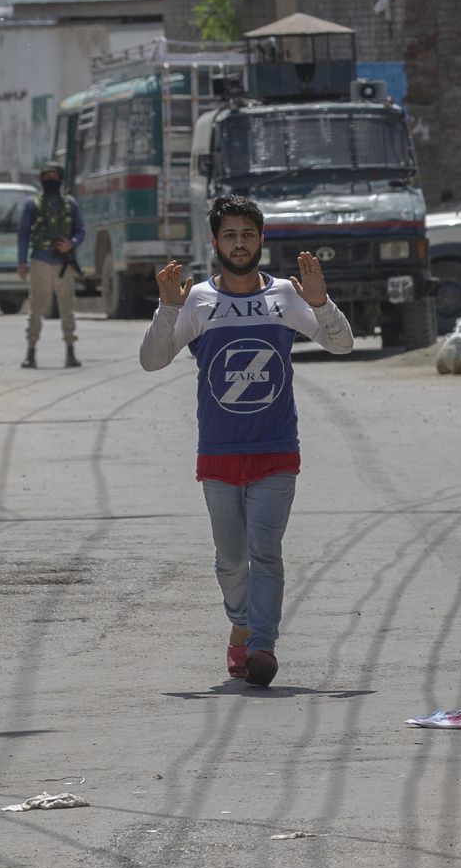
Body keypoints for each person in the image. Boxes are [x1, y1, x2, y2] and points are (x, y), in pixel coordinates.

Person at [138, 195, 354, 687]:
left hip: (276, 449)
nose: (240, 244)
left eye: (248, 234)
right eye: (230, 235)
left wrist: (321, 302)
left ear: (262, 239)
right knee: (231, 560)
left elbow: (341, 344)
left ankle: (261, 646)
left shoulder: (286, 295)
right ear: (215, 242)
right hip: (218, 452)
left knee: (266, 551)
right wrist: (168, 310)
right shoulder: (196, 301)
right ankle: (241, 623)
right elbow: (152, 360)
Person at [16, 163, 85, 370]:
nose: (50, 180)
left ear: (60, 178)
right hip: (40, 261)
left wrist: (70, 244)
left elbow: (81, 231)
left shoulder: (70, 204)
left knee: (67, 309)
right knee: (37, 308)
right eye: (46, 176)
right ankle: (31, 352)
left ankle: (70, 353)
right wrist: (22, 262)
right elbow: (24, 233)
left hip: (64, 263)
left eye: (54, 176)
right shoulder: (33, 204)